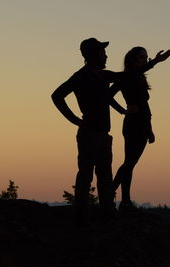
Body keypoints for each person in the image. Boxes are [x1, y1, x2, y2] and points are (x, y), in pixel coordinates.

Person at [51, 38, 125, 226]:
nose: (106, 55)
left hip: (102, 134)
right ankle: (82, 217)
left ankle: (107, 213)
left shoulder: (102, 75)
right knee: (86, 175)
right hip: (89, 134)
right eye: (102, 52)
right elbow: (57, 95)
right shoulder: (81, 76)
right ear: (93, 55)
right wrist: (75, 120)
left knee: (105, 176)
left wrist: (152, 63)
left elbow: (126, 76)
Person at [111, 47, 170, 211]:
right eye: (141, 57)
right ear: (132, 60)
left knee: (130, 163)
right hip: (133, 123)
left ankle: (123, 199)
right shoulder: (127, 76)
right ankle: (113, 194)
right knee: (129, 163)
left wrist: (149, 129)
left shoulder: (137, 77)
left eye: (146, 57)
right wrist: (123, 110)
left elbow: (145, 107)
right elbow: (108, 95)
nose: (144, 60)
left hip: (142, 123)